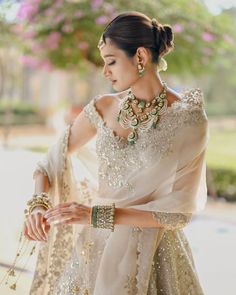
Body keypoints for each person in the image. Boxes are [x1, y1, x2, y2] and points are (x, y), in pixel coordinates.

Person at [23, 11, 209, 295]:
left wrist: (97, 215)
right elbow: (50, 160)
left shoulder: (188, 119)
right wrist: (38, 204)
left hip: (155, 253)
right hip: (94, 247)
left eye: (111, 62)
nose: (104, 71)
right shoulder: (104, 108)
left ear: (140, 57)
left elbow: (178, 214)